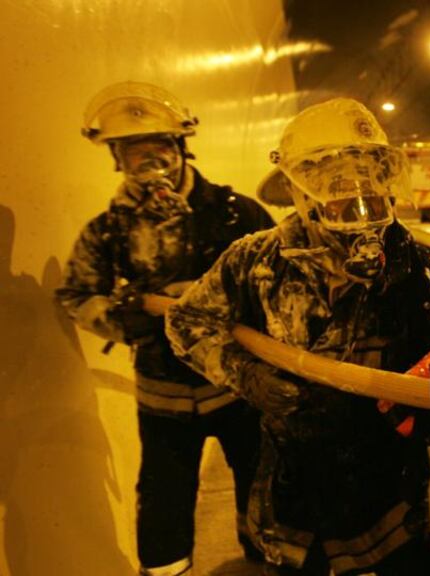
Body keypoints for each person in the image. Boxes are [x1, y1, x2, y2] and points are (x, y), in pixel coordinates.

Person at [165, 97, 430, 575]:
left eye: (368, 174)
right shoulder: (256, 262)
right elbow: (186, 323)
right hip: (293, 495)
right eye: (336, 179)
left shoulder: (421, 271)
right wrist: (246, 373)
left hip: (394, 495)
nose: (358, 191)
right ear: (301, 190)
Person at [56, 81, 275, 575]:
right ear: (116, 159)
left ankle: (265, 564)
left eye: (159, 149)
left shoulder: (236, 213)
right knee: (162, 505)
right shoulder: (107, 230)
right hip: (163, 397)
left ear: (180, 148)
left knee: (264, 489)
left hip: (238, 387)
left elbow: (277, 280)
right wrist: (124, 315)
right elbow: (76, 295)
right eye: (135, 154)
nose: (150, 165)